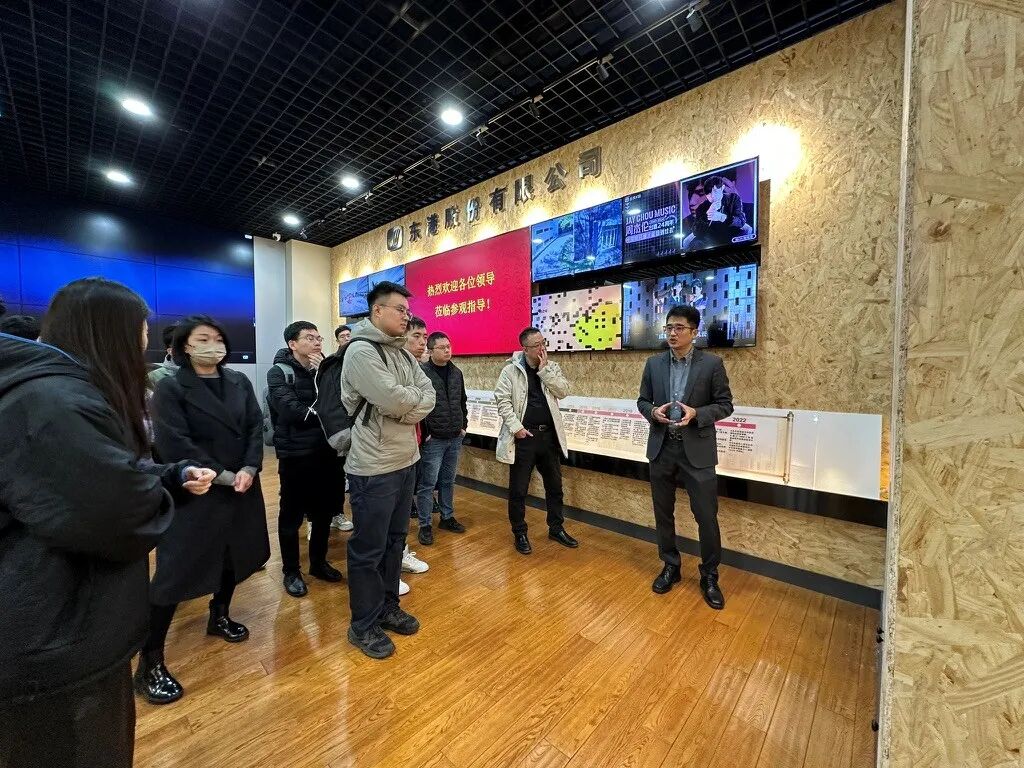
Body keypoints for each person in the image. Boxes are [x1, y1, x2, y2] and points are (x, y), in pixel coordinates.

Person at [0, 278, 215, 768]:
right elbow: (115, 512)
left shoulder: (55, 391)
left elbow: (104, 476)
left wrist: (169, 475)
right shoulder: (53, 401)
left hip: (61, 629)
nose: (145, 342)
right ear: (111, 332)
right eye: (141, 330)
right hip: (55, 639)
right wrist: (155, 491)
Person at [138, 316, 271, 705]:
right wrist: (225, 475)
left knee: (233, 556)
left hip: (242, 485)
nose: (214, 344)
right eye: (203, 339)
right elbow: (173, 441)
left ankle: (219, 615)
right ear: (185, 346)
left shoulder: (238, 381)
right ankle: (150, 660)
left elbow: (254, 426)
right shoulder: (170, 386)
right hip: (198, 487)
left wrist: (250, 467)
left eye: (218, 338)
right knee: (176, 571)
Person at [341, 282, 435, 659]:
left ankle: (387, 607)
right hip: (374, 466)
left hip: (406, 460)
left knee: (396, 541)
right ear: (377, 311)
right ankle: (362, 624)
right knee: (369, 548)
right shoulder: (361, 351)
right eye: (400, 310)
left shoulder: (402, 353)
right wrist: (405, 404)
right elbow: (393, 399)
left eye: (407, 311)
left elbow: (427, 394)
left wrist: (404, 407)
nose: (406, 317)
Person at [637, 304, 734, 608]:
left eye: (679, 328)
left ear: (694, 332)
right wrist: (653, 411)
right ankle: (670, 566)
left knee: (706, 516)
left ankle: (710, 575)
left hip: (697, 451)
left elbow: (725, 404)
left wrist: (697, 414)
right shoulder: (653, 364)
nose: (672, 333)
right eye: (669, 327)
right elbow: (642, 401)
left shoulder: (712, 364)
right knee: (663, 513)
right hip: (662, 448)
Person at [267, 321, 344, 597]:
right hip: (296, 455)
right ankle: (291, 570)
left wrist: (324, 374)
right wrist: (325, 414)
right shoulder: (279, 372)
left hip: (327, 452)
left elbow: (342, 402)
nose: (317, 342)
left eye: (319, 338)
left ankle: (318, 563)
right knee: (291, 515)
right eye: (309, 338)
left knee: (323, 513)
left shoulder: (325, 370)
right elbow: (292, 412)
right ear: (292, 344)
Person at [494, 327, 578, 555]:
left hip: (549, 437)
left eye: (543, 343)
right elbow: (502, 401)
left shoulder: (551, 367)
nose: (542, 348)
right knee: (519, 490)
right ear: (525, 348)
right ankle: (519, 533)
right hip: (524, 438)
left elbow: (563, 391)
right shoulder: (510, 371)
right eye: (536, 345)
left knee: (555, 487)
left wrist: (544, 371)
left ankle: (556, 528)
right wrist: (517, 428)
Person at [415, 331, 468, 545]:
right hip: (434, 439)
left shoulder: (456, 373)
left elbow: (462, 401)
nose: (447, 350)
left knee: (447, 480)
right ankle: (425, 524)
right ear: (431, 350)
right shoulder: (422, 373)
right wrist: (426, 432)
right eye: (442, 347)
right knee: (427, 483)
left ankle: (447, 517)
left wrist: (464, 426)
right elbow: (418, 405)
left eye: (449, 346)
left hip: (454, 437)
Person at [396, 318, 430, 582]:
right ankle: (389, 565)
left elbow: (428, 401)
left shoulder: (416, 368)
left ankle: (401, 553)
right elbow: (400, 407)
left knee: (403, 509)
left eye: (424, 337)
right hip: (391, 449)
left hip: (413, 444)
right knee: (389, 513)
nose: (422, 343)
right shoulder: (393, 368)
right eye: (416, 336)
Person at [329, 324, 354, 534]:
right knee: (332, 474)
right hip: (336, 430)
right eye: (343, 336)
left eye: (349, 335)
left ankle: (339, 513)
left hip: (357, 428)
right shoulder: (331, 363)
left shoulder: (358, 359)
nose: (347, 338)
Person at [682, 175, 750, 251]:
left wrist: (722, 217)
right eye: (708, 194)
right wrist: (707, 217)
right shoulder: (702, 207)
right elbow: (696, 232)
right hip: (710, 240)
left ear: (722, 188)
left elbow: (741, 222)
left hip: (732, 236)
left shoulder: (733, 198)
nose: (712, 197)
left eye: (714, 192)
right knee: (693, 243)